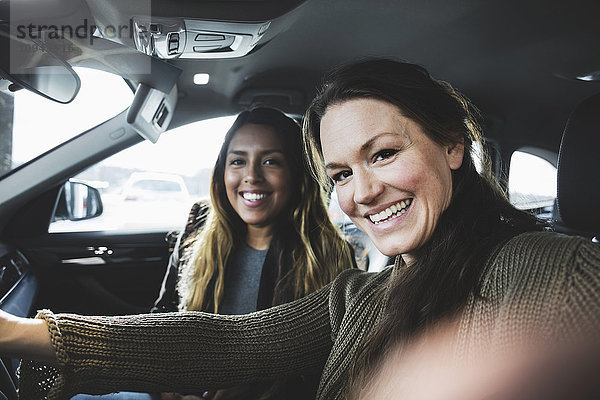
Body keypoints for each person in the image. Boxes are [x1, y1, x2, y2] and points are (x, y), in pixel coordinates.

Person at [2, 58, 600, 400]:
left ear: (452, 147)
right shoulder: (361, 298)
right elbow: (233, 342)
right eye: (340, 173)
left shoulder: (557, 272)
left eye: (385, 154)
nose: (362, 192)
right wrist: (27, 336)